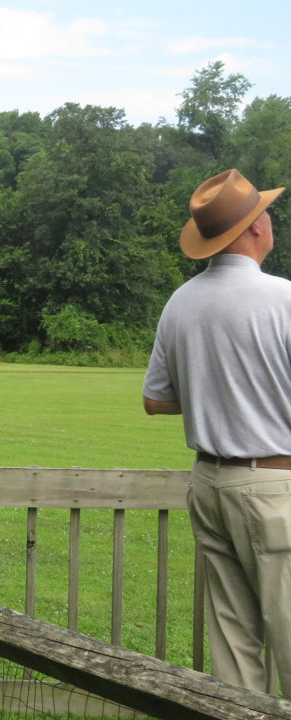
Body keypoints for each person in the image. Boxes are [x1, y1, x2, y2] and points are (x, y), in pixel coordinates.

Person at [143, 169, 290, 695]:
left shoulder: (181, 302)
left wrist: (215, 394)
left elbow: (155, 400)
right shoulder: (285, 299)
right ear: (254, 229)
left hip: (209, 484)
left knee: (232, 642)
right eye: (265, 213)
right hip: (275, 486)